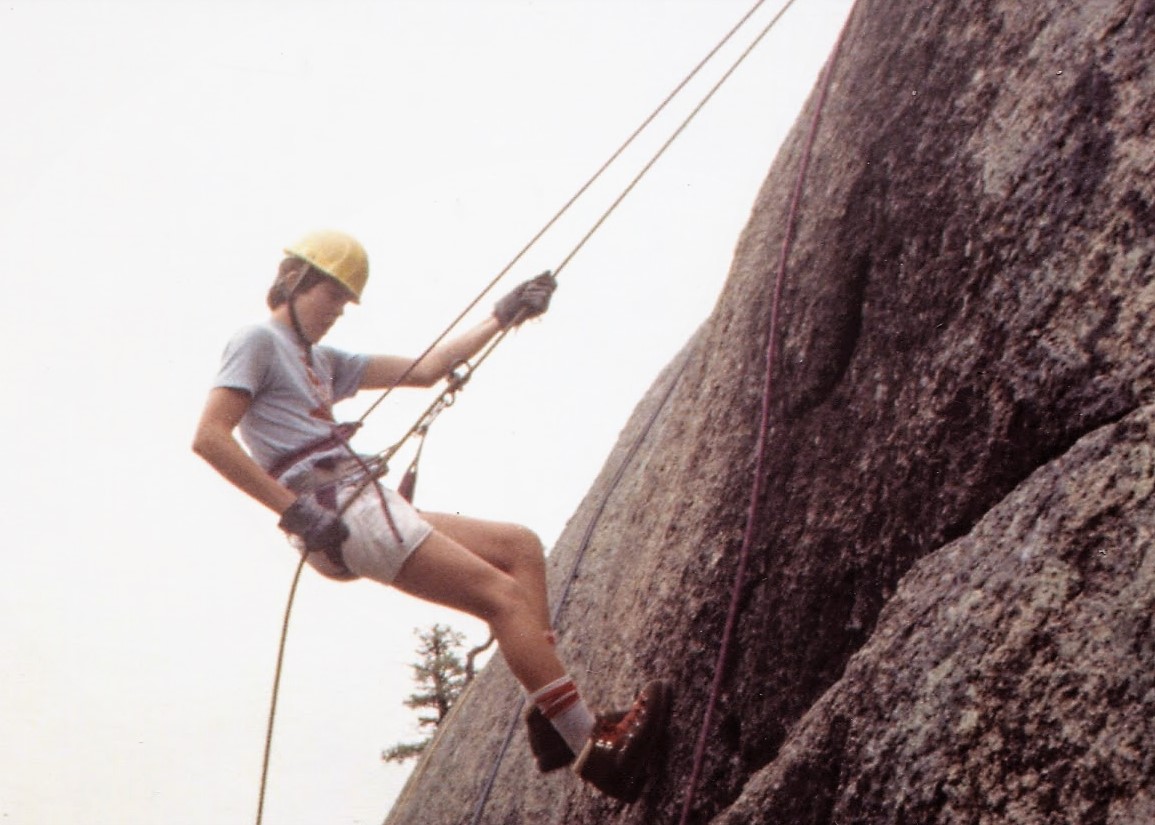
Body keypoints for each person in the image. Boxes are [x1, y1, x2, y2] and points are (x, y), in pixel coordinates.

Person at [192, 229, 670, 802]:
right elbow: (210, 436)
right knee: (502, 596)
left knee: (519, 547)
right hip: (337, 509)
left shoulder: (320, 361)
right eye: (333, 297)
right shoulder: (257, 342)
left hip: (359, 501)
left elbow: (426, 369)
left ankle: (554, 723)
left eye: (345, 303)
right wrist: (293, 512)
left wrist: (503, 315)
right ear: (295, 280)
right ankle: (595, 752)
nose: (338, 312)